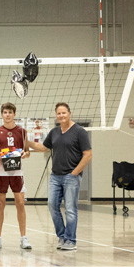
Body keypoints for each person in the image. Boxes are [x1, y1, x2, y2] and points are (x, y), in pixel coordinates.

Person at [29, 102, 92, 251]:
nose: (61, 115)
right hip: (55, 177)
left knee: (70, 209)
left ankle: (70, 240)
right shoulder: (54, 132)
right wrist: (26, 141)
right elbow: (43, 147)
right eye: (59, 113)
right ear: (56, 116)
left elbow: (88, 155)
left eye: (64, 113)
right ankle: (62, 236)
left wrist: (75, 173)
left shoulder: (79, 132)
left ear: (70, 113)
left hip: (71, 177)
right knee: (52, 205)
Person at [0, 103, 31, 250]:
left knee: (20, 202)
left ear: (14, 114)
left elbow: (27, 151)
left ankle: (23, 238)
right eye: (5, 112)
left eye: (10, 112)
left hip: (16, 172)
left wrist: (25, 154)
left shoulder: (22, 131)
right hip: (0, 172)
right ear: (2, 114)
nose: (7, 115)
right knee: (0, 203)